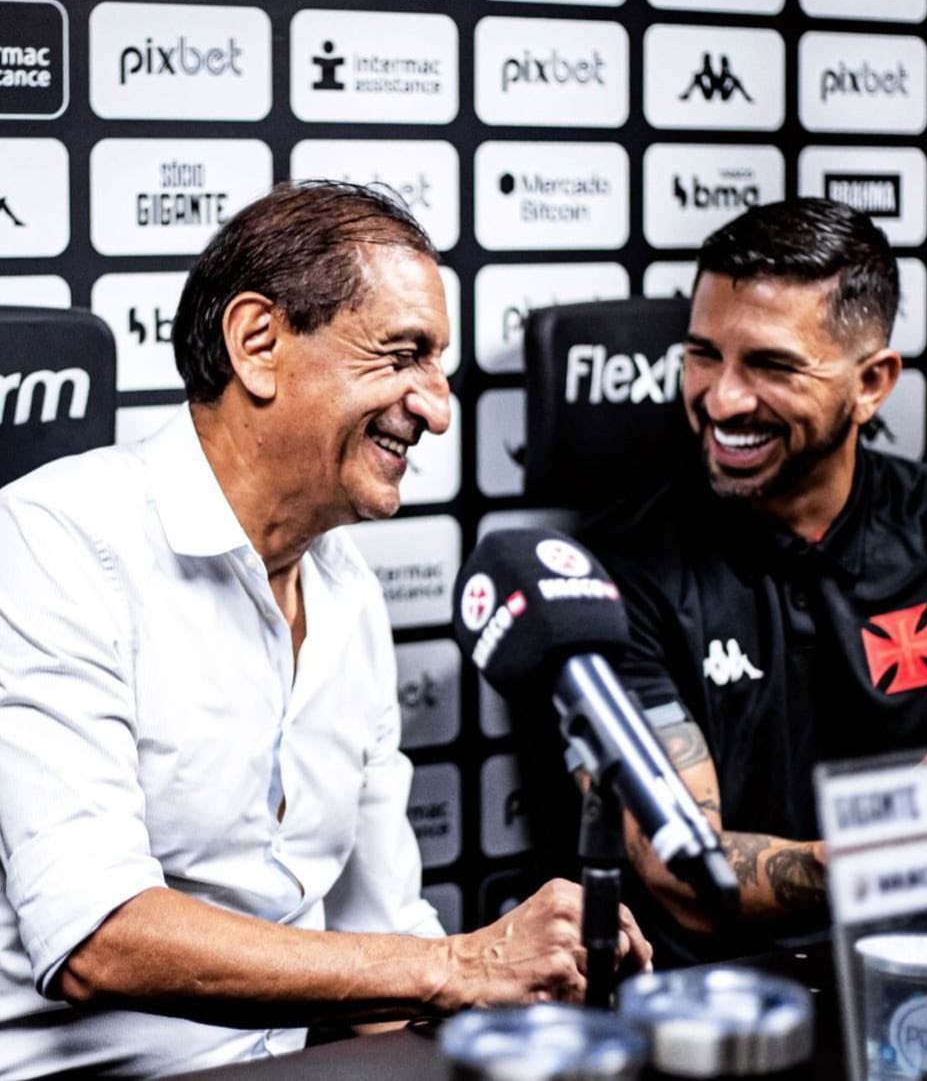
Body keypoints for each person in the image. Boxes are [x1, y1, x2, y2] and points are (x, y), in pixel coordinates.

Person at [0, 181, 650, 1078]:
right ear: (258, 344)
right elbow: (95, 936)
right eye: (403, 355)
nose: (437, 407)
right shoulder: (52, 541)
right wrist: (459, 966)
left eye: (438, 365)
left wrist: (523, 1007)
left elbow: (385, 939)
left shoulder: (348, 593)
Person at [585, 197, 927, 955]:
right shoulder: (615, 573)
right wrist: (895, 850)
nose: (722, 398)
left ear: (872, 382)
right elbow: (682, 872)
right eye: (703, 355)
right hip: (731, 995)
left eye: (771, 365)